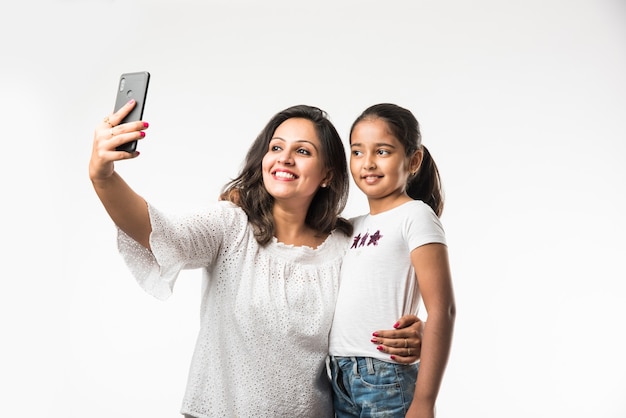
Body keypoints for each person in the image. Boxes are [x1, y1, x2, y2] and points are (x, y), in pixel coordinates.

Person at [89, 100, 424, 418]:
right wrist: (103, 178)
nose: (285, 159)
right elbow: (160, 233)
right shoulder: (230, 225)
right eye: (276, 147)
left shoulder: (345, 245)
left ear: (328, 174)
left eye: (303, 151)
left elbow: (376, 310)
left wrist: (416, 331)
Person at [328, 103, 456, 418]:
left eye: (382, 151)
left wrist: (424, 402)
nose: (367, 163)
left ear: (413, 160)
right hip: (340, 377)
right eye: (357, 152)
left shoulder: (415, 215)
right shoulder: (352, 227)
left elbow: (443, 308)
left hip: (385, 376)